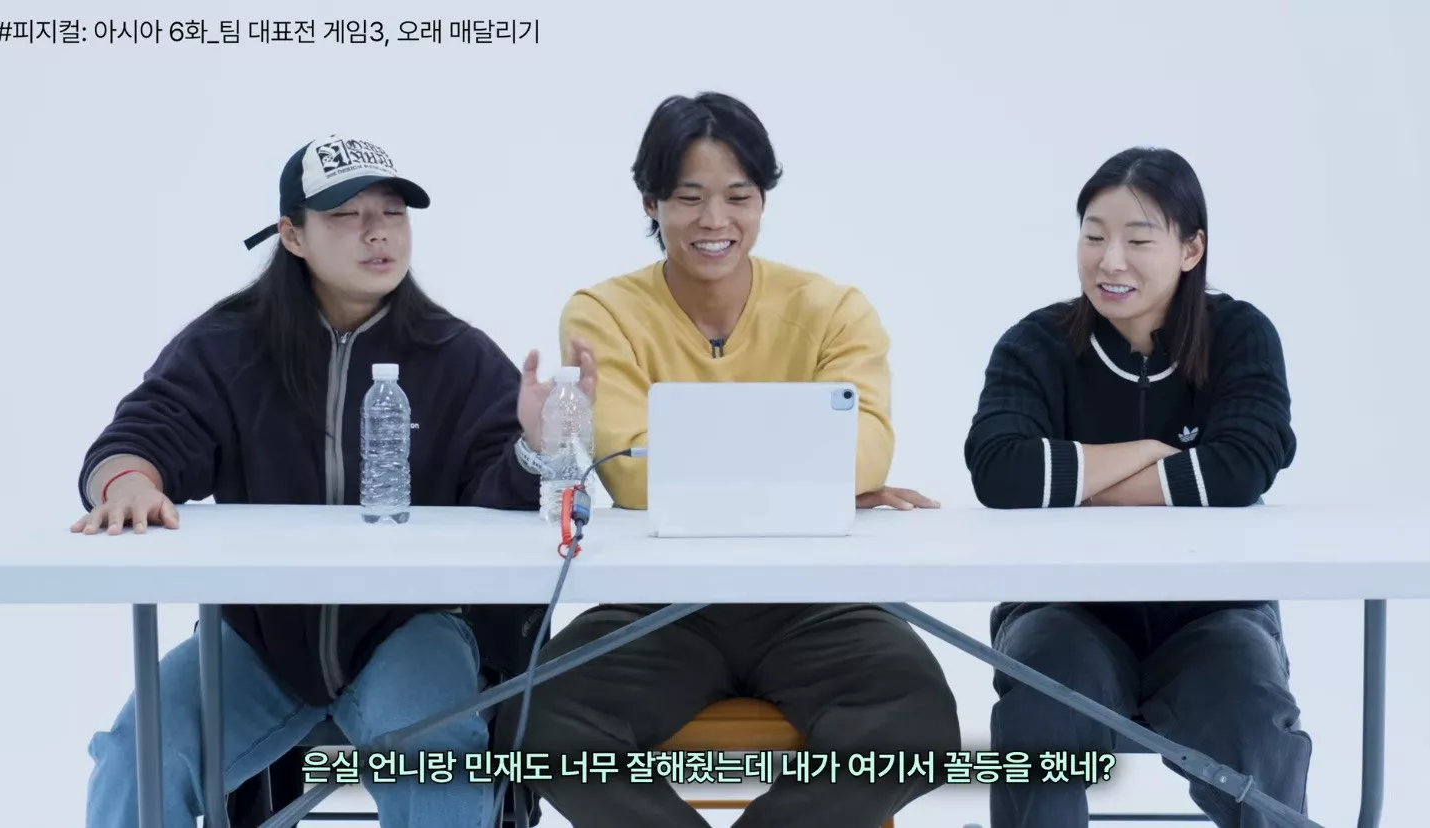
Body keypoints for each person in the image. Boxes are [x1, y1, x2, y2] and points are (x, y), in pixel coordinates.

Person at [74, 134, 594, 828]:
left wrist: (537, 445)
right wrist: (128, 482)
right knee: (136, 756)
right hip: (261, 635)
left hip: (408, 631)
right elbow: (144, 434)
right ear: (292, 235)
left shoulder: (456, 353)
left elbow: (500, 497)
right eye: (347, 215)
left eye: (393, 213)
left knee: (436, 763)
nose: (377, 232)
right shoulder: (228, 343)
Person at [495, 92, 961, 828]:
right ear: (650, 203)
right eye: (689, 198)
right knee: (539, 722)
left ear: (763, 200)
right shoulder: (603, 312)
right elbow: (632, 475)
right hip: (659, 605)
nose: (715, 221)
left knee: (917, 727)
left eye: (738, 197)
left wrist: (824, 477)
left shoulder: (833, 308)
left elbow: (866, 455)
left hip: (815, 602)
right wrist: (814, 480)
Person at [963, 146, 1311, 827]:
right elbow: (1000, 472)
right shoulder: (1035, 345)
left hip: (1214, 611)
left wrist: (1079, 484)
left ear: (1191, 248)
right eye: (1093, 237)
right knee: (1040, 706)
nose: (1110, 261)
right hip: (1063, 608)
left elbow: (1242, 465)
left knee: (1252, 720)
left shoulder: (1239, 335)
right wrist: (1150, 452)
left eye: (1138, 240)